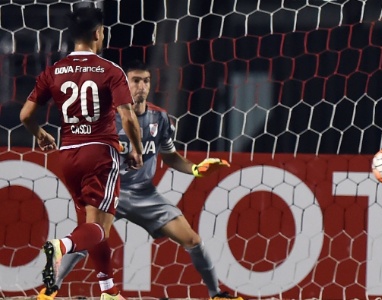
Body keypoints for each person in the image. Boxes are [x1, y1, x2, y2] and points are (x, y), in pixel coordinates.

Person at [45, 60, 243, 300]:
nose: (141, 86)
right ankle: (49, 290)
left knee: (192, 238)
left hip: (145, 194)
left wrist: (196, 169)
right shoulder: (105, 117)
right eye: (135, 81)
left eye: (145, 81)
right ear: (124, 84)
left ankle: (216, 294)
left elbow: (170, 157)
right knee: (90, 238)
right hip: (111, 191)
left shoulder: (160, 118)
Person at [19, 7, 143, 300]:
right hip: (100, 152)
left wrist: (40, 134)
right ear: (99, 33)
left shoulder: (53, 71)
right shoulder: (111, 70)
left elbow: (26, 114)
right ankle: (61, 246)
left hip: (68, 155)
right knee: (99, 228)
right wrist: (136, 150)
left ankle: (108, 291)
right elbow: (127, 117)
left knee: (93, 226)